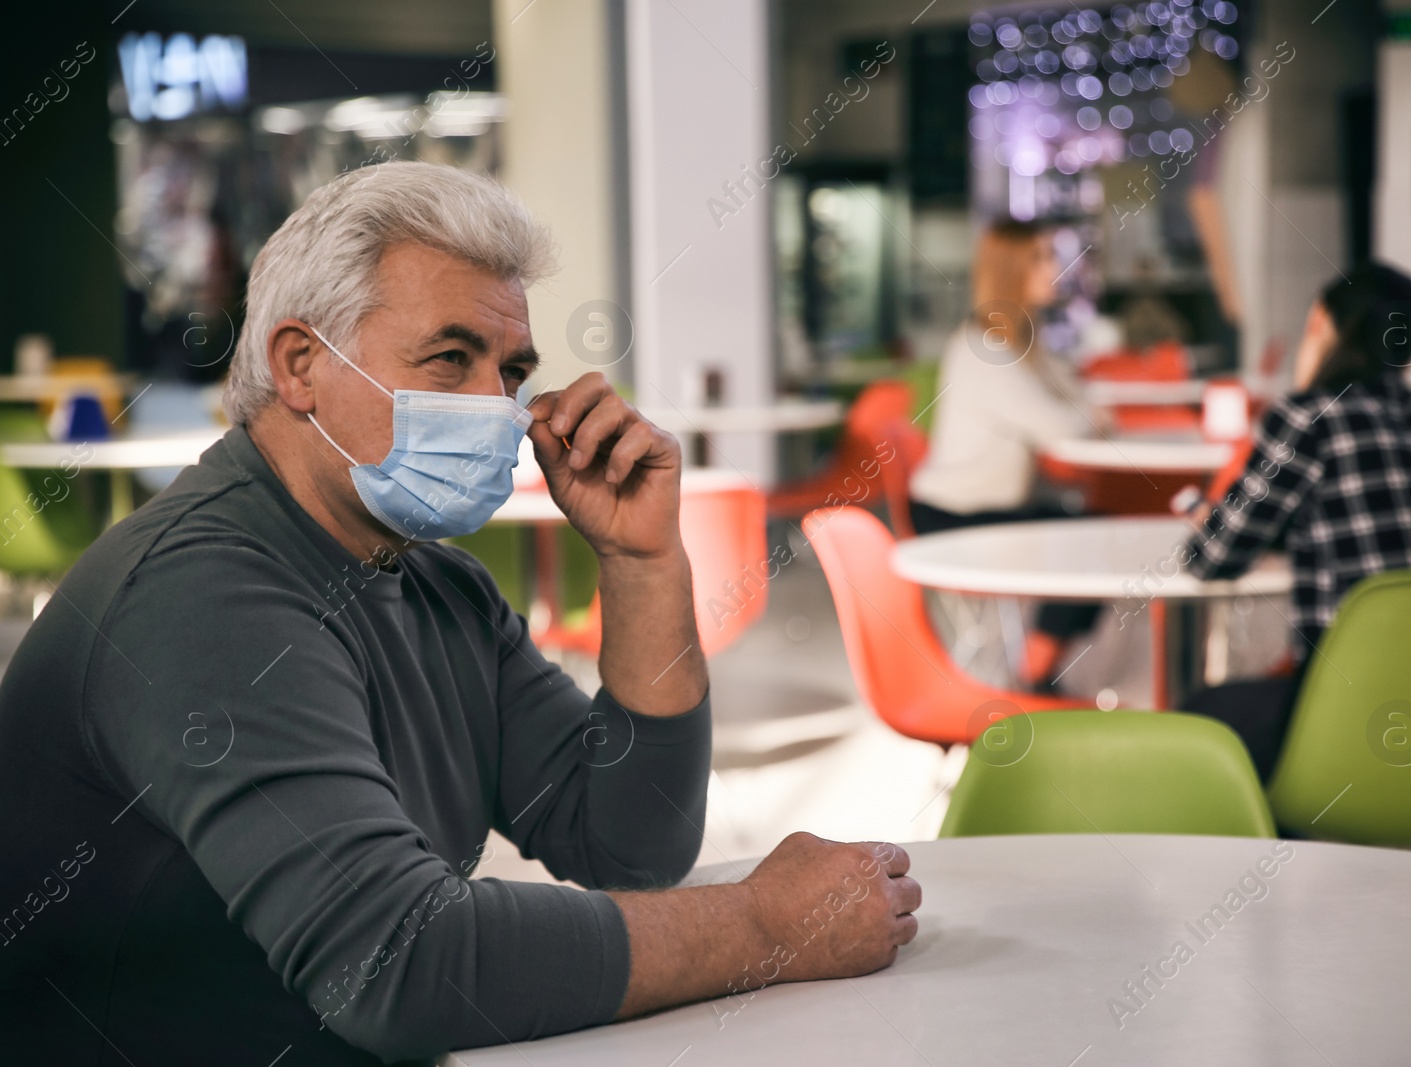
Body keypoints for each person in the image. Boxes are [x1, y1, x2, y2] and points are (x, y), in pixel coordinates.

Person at [0, 163, 919, 1065]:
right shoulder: (199, 593)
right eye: (451, 358)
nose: (498, 406)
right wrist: (763, 924)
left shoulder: (439, 584)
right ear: (300, 366)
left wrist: (642, 563)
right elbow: (398, 962)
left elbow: (628, 837)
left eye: (513, 370)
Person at [1179, 262, 1411, 779]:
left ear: (1323, 327)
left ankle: (1280, 850)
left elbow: (1213, 559)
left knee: (1202, 720)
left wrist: (1205, 522)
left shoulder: (1309, 417)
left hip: (1353, 709)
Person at [909, 218, 1100, 534]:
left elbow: (1074, 396)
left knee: (1101, 526)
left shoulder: (1021, 341)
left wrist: (1088, 413)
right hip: (958, 516)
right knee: (1099, 533)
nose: (1055, 270)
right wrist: (1095, 417)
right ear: (1010, 270)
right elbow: (1061, 427)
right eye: (1040, 258)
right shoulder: (984, 350)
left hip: (997, 510)